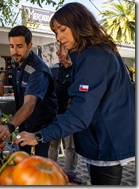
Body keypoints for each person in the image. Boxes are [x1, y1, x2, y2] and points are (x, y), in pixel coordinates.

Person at [12, 2, 135, 185]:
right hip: (103, 139)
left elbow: (80, 113)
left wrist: (39, 136)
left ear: (78, 23)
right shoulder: (95, 53)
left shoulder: (93, 57)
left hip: (105, 142)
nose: (59, 37)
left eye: (62, 30)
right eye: (56, 32)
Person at [0, 25, 58, 157]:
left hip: (41, 128)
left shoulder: (38, 70)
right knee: (22, 159)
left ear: (29, 45)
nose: (14, 51)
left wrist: (9, 126)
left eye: (19, 46)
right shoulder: (16, 63)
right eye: (11, 46)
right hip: (25, 123)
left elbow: (29, 104)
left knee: (37, 165)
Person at [48, 43, 78, 182]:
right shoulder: (54, 69)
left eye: (62, 50)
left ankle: (70, 175)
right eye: (58, 51)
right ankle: (51, 171)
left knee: (70, 147)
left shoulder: (77, 70)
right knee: (53, 145)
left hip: (70, 116)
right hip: (55, 115)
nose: (59, 53)